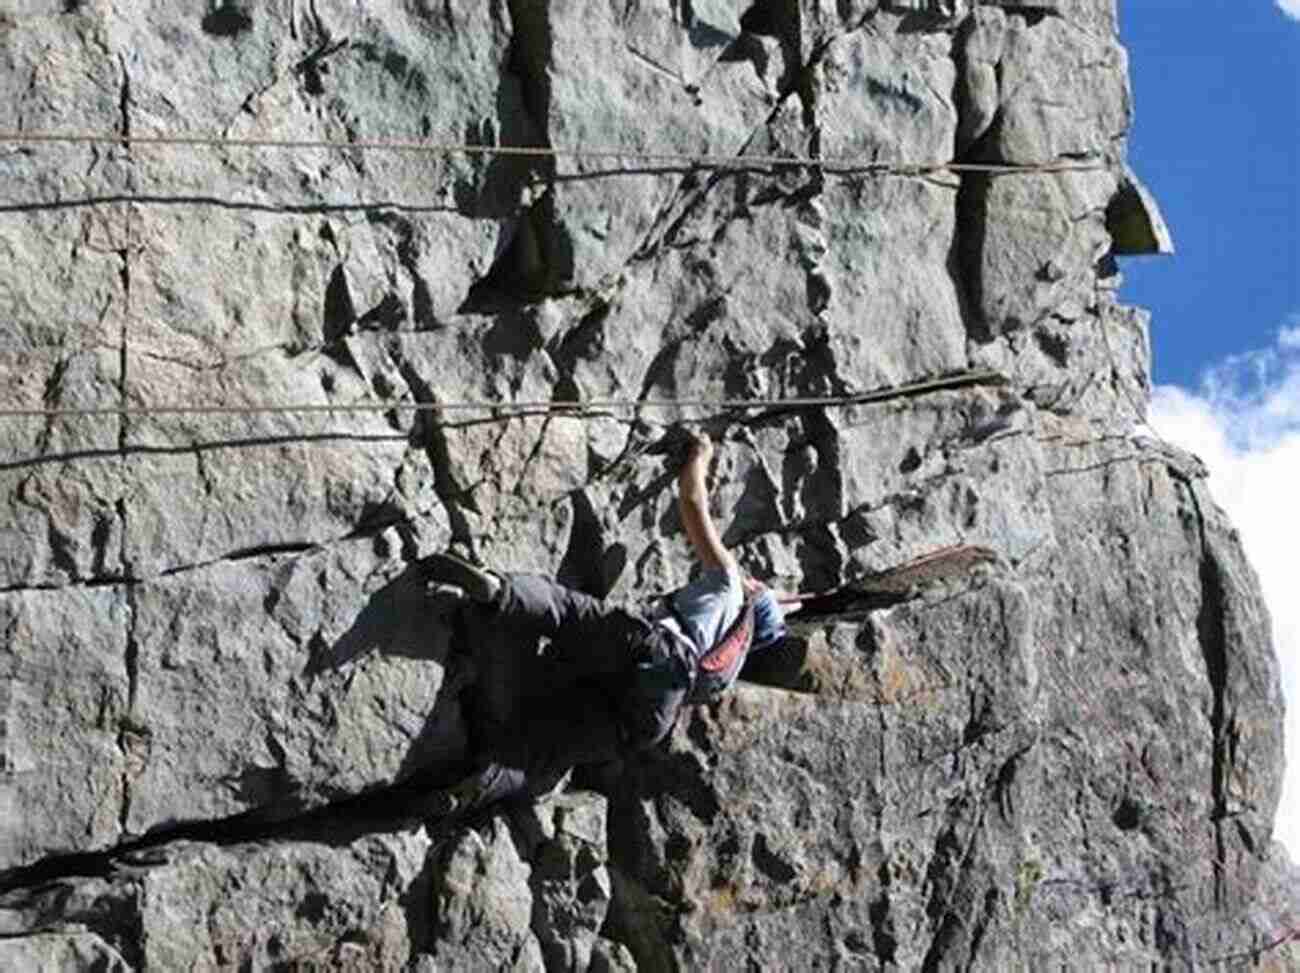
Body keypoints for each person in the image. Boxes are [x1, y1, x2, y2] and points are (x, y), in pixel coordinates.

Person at [411, 430, 797, 822]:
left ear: (756, 595)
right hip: (652, 715)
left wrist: (700, 456)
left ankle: (498, 591)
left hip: (654, 645)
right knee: (547, 750)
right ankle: (476, 786)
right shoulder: (728, 668)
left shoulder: (732, 585)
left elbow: (693, 502)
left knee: (565, 610)